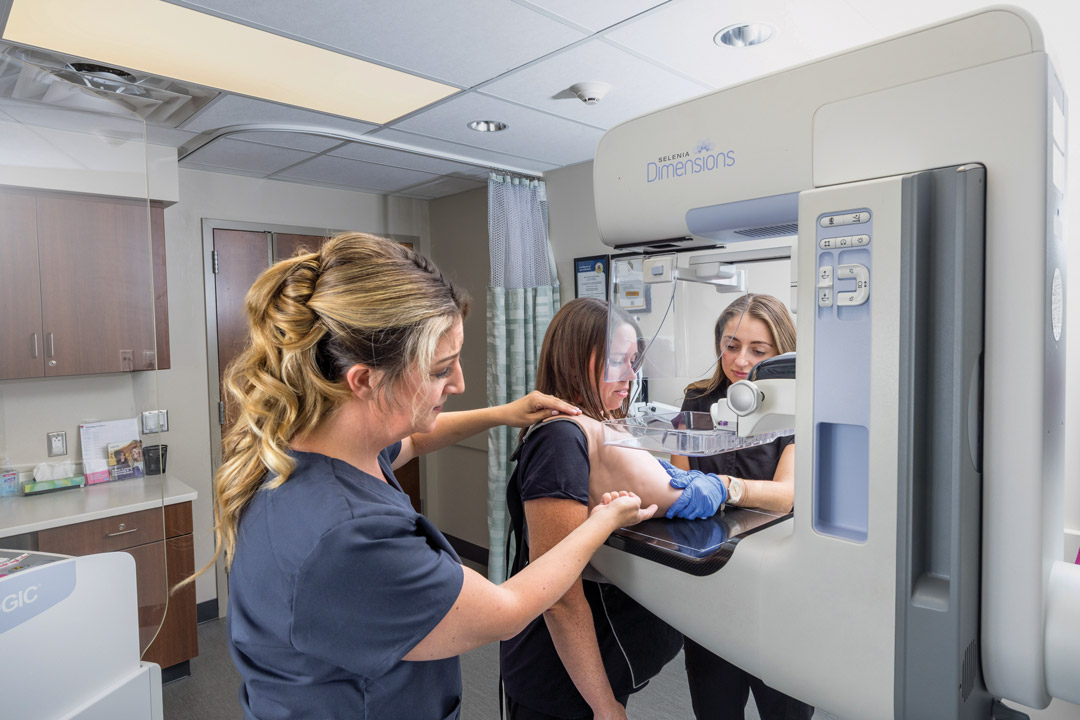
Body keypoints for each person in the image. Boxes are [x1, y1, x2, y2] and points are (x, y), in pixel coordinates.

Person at [179, 233, 658, 720]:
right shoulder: (347, 535)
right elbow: (508, 609)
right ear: (364, 380)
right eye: (440, 370)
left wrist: (502, 413)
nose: (458, 384)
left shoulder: (308, 444)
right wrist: (604, 519)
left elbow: (412, 441)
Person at [501, 297, 719, 720]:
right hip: (559, 678)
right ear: (577, 360)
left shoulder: (595, 427)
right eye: (618, 361)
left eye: (633, 360)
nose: (630, 376)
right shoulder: (560, 440)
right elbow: (559, 595)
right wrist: (604, 706)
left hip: (587, 663)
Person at [669, 292, 813, 720]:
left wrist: (724, 487)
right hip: (709, 580)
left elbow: (787, 494)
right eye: (731, 345)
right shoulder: (696, 401)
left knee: (783, 709)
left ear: (781, 352)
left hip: (776, 584)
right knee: (715, 706)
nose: (740, 359)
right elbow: (678, 482)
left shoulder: (798, 407)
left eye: (758, 350)